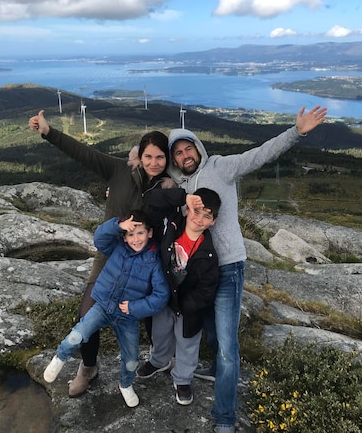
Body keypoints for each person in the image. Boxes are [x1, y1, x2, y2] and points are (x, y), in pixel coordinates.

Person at [166, 105, 327, 433]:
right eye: (178, 152)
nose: (185, 155)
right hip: (198, 271)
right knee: (210, 329)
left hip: (227, 267)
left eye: (188, 148)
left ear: (198, 147)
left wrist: (297, 131)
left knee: (227, 345)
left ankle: (224, 418)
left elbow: (260, 154)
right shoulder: (179, 184)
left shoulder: (220, 167)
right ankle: (215, 368)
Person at [29, 110, 174, 397]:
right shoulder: (118, 171)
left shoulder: (170, 186)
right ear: (139, 157)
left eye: (160, 157)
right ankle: (88, 367)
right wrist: (48, 132)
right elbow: (83, 153)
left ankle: (160, 359)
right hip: (109, 257)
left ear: (167, 159)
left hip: (146, 263)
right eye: (149, 157)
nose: (154, 163)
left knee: (149, 315)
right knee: (87, 314)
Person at [43, 210, 169, 408]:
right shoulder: (118, 246)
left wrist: (135, 307)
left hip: (128, 316)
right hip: (103, 305)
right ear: (124, 236)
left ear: (150, 233)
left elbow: (161, 296)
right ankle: (60, 358)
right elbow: (99, 239)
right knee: (78, 335)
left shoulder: (154, 261)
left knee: (131, 361)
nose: (136, 239)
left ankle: (125, 385)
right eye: (131, 234)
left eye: (140, 233)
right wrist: (118, 225)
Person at [136, 187, 221, 406]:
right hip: (164, 299)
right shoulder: (170, 226)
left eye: (207, 216)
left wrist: (187, 305)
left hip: (189, 308)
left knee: (187, 343)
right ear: (187, 208)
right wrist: (183, 197)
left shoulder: (209, 253)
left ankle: (183, 380)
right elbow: (151, 200)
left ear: (213, 221)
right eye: (196, 210)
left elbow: (207, 289)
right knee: (160, 334)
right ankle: (159, 361)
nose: (199, 219)